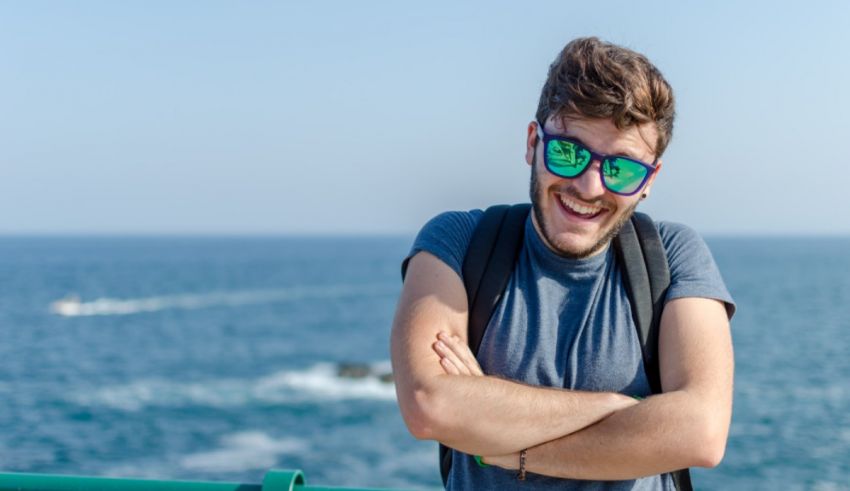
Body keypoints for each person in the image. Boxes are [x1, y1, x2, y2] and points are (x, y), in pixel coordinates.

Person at [390, 37, 735, 490]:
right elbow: (428, 403)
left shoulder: (672, 256)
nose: (590, 187)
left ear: (650, 180)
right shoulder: (459, 242)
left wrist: (499, 445)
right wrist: (626, 408)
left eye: (623, 169)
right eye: (569, 153)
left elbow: (702, 432)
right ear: (533, 143)